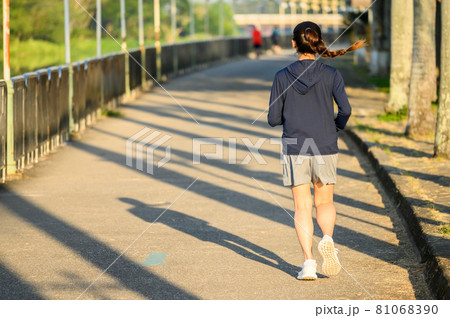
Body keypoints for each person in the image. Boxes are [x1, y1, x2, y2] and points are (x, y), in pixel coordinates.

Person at [267, 21, 366, 280]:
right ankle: (328, 238)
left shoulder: (281, 76)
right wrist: (334, 128)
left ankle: (309, 263)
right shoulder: (331, 74)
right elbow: (345, 110)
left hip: (295, 147)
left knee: (302, 207)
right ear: (318, 41)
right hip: (325, 145)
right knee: (325, 202)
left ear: (293, 43)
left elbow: (273, 118)